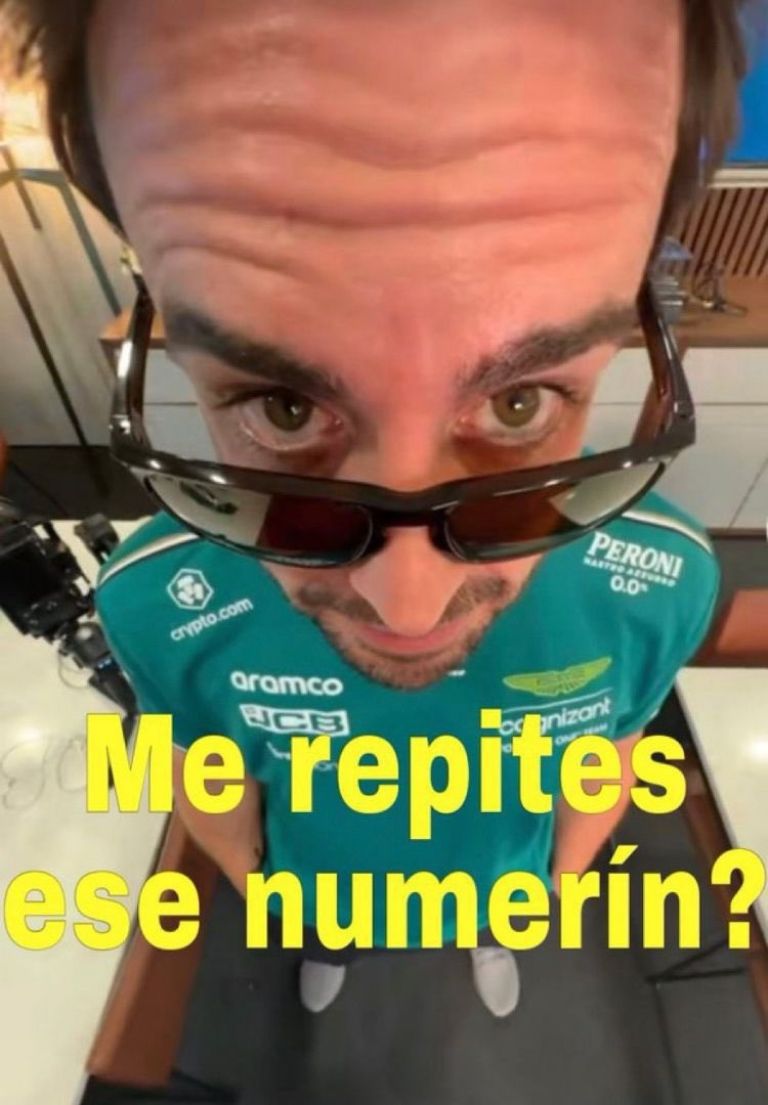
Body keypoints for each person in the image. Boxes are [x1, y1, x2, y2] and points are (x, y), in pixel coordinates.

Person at [2, 0, 755, 1016]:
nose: (409, 606)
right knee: (335, 934)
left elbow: (609, 758)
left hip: (502, 876)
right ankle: (337, 946)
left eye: (520, 404)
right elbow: (209, 778)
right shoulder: (154, 600)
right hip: (322, 883)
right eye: (284, 406)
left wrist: (548, 888)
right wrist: (271, 891)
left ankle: (489, 934)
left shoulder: (660, 579)